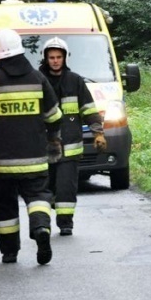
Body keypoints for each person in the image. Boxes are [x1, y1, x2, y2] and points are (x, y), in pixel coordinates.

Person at [0, 29, 63, 265]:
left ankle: (9, 252)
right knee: (38, 197)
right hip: (34, 158)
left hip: (1, 162)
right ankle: (41, 229)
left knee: (4, 206)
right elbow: (54, 117)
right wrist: (52, 139)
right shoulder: (38, 78)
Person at [39, 37, 106, 236]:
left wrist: (98, 133)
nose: (55, 61)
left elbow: (88, 109)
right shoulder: (37, 80)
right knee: (46, 188)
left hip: (70, 146)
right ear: (46, 58)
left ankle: (65, 223)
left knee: (66, 187)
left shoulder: (75, 80)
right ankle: (42, 222)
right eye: (51, 57)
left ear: (65, 58)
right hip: (44, 146)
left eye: (58, 57)